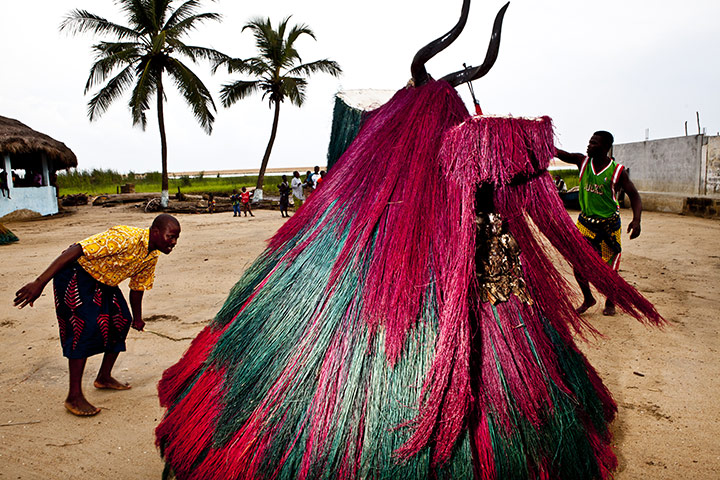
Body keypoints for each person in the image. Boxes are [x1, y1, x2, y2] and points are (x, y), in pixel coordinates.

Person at [14, 214, 181, 416]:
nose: (173, 242)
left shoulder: (151, 255)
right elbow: (75, 250)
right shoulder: (125, 238)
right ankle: (73, 396)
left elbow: (138, 287)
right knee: (82, 328)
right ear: (155, 232)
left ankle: (103, 377)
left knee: (121, 321)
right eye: (170, 236)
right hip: (76, 272)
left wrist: (137, 317)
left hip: (103, 281)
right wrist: (39, 282)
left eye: (176, 238)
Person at [555, 130, 642, 316]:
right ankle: (588, 298)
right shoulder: (582, 162)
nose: (589, 145)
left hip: (608, 227)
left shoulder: (617, 171)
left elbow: (634, 195)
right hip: (585, 225)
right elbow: (559, 153)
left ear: (605, 148)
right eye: (589, 141)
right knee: (578, 263)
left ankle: (610, 301)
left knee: (609, 270)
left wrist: (636, 220)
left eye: (593, 143)